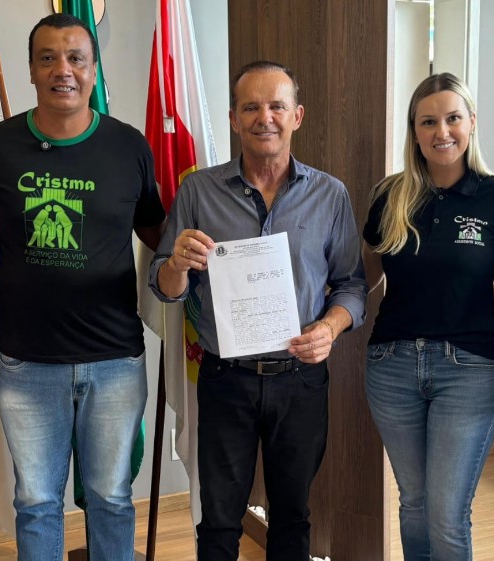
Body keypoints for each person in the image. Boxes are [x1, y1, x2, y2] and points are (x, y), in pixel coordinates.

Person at [0, 13, 165, 561]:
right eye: (47, 58)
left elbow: (158, 234)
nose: (62, 70)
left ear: (93, 70)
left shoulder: (129, 147)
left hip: (114, 360)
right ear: (31, 69)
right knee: (36, 502)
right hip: (28, 363)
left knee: (111, 498)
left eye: (76, 58)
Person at [150, 60, 367, 561]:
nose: (264, 118)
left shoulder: (329, 194)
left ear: (297, 116)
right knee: (219, 519)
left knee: (292, 516)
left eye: (276, 106)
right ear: (233, 118)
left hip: (300, 380)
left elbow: (352, 286)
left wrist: (330, 327)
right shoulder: (198, 191)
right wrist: (176, 264)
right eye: (251, 107)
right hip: (226, 379)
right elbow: (163, 288)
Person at [361, 73, 494, 561]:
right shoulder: (390, 195)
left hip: (470, 368)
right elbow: (362, 279)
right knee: (414, 503)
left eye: (453, 118)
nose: (442, 132)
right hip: (391, 364)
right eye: (428, 121)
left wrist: (472, 300)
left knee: (447, 513)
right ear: (414, 131)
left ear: (471, 122)